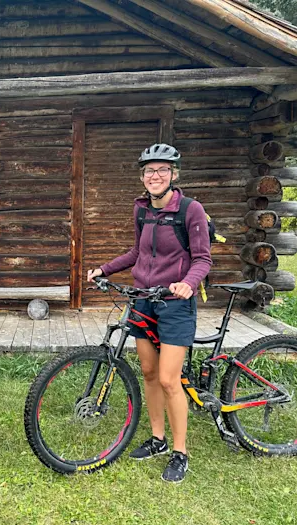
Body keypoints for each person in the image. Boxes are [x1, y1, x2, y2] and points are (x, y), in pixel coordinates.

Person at [87, 144, 212, 483]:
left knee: (171, 380)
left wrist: (187, 283)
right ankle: (158, 440)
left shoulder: (191, 210)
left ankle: (180, 451)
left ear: (174, 174)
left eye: (162, 170)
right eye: (149, 171)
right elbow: (136, 252)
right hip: (143, 299)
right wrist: (104, 268)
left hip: (175, 304)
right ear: (142, 177)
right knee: (149, 373)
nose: (155, 176)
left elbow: (203, 259)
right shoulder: (141, 210)